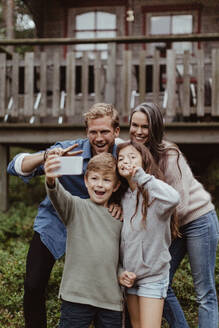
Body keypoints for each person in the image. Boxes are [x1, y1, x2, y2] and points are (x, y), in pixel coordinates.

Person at [7, 103, 122, 328]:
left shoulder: (123, 158)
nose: (99, 138)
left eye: (105, 132)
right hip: (56, 223)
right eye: (93, 132)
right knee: (33, 283)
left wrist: (121, 205)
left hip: (98, 227)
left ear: (116, 132)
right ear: (86, 132)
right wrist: (46, 157)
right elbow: (16, 165)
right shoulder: (73, 156)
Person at [128, 102, 219, 328]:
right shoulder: (131, 153)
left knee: (204, 291)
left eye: (145, 127)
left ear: (155, 128)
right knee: (160, 282)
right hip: (170, 225)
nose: (138, 131)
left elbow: (180, 203)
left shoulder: (169, 154)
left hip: (197, 219)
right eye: (134, 125)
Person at [44, 151, 135, 328]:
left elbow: (117, 259)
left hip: (110, 301)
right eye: (94, 178)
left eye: (107, 180)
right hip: (76, 297)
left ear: (116, 186)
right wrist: (50, 179)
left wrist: (122, 273)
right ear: (86, 181)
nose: (99, 185)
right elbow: (57, 194)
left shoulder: (120, 218)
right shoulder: (74, 207)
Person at [116, 140, 180, 328]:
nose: (125, 161)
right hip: (130, 277)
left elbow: (174, 198)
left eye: (131, 157)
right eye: (120, 158)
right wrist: (121, 271)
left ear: (144, 162)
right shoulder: (121, 197)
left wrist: (142, 177)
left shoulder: (155, 194)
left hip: (153, 276)